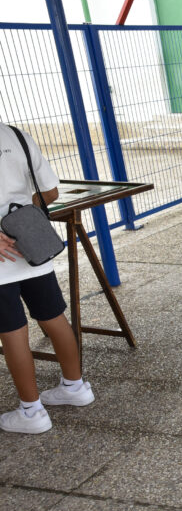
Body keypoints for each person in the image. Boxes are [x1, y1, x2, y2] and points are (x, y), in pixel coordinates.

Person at [0, 124, 95, 434]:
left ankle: (31, 413)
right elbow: (50, 192)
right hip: (31, 244)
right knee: (54, 317)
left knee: (12, 331)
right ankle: (75, 387)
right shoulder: (15, 135)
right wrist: (20, 218)